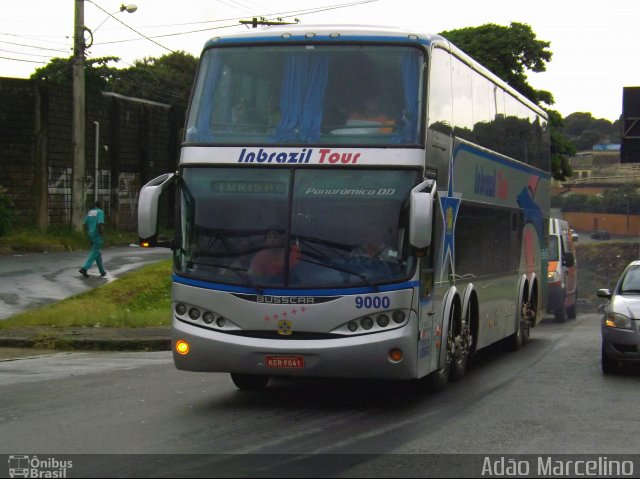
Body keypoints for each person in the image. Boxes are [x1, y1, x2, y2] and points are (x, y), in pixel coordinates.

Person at [79, 201, 107, 278]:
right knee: (95, 252)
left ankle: (102, 271)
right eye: (103, 204)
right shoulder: (100, 212)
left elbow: (85, 224)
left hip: (90, 233)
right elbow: (99, 224)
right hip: (97, 234)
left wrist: (89, 231)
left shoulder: (90, 212)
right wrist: (101, 234)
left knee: (97, 253)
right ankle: (84, 268)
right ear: (100, 205)